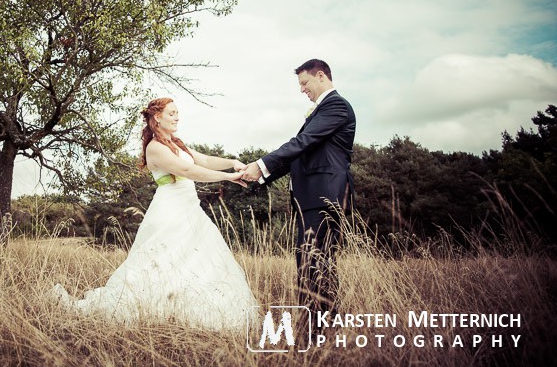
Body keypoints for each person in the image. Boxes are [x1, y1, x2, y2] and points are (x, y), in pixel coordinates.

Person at [53, 98, 258, 330]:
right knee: (162, 261)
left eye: (178, 112)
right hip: (170, 211)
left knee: (197, 260)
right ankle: (154, 310)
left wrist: (233, 163)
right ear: (157, 117)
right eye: (172, 113)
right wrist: (229, 178)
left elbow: (204, 160)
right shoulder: (155, 147)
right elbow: (187, 170)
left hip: (191, 210)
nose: (177, 117)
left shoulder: (176, 143)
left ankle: (188, 312)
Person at [242, 59, 356, 313]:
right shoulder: (322, 110)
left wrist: (260, 165)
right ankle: (316, 324)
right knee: (309, 262)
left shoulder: (336, 106)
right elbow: (299, 153)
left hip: (324, 197)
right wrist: (257, 175)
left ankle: (321, 328)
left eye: (304, 83)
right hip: (312, 199)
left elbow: (302, 142)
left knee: (316, 263)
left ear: (321, 77)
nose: (302, 89)